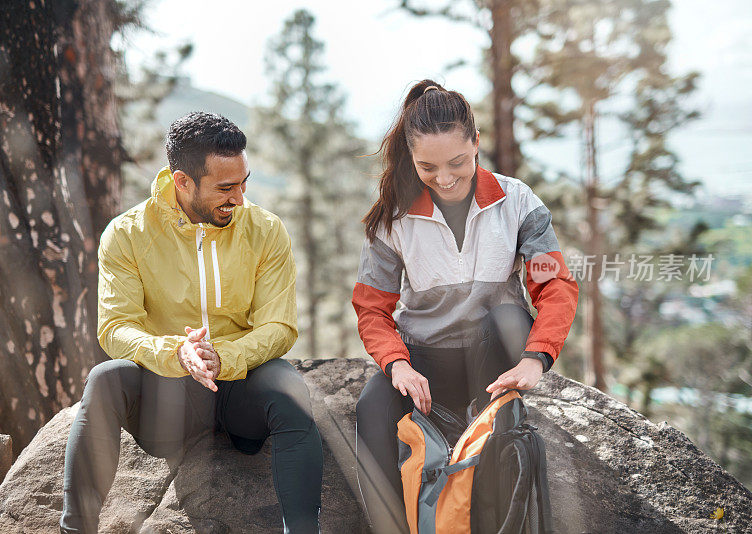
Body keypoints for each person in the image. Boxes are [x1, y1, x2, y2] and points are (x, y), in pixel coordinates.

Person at [60, 112, 322, 534]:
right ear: (182, 182)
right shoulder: (126, 234)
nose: (238, 198)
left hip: (240, 391)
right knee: (105, 379)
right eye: (225, 187)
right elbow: (116, 327)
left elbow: (280, 326)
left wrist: (224, 356)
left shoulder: (265, 229)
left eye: (243, 183)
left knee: (288, 386)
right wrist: (175, 353)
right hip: (167, 402)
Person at [352, 80, 578, 532]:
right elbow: (372, 309)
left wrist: (537, 358)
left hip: (494, 357)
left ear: (477, 142)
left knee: (507, 315)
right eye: (427, 167)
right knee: (370, 409)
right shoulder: (392, 218)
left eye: (458, 161)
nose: (445, 178)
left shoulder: (518, 201)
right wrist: (397, 365)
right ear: (411, 159)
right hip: (424, 365)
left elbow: (555, 287)